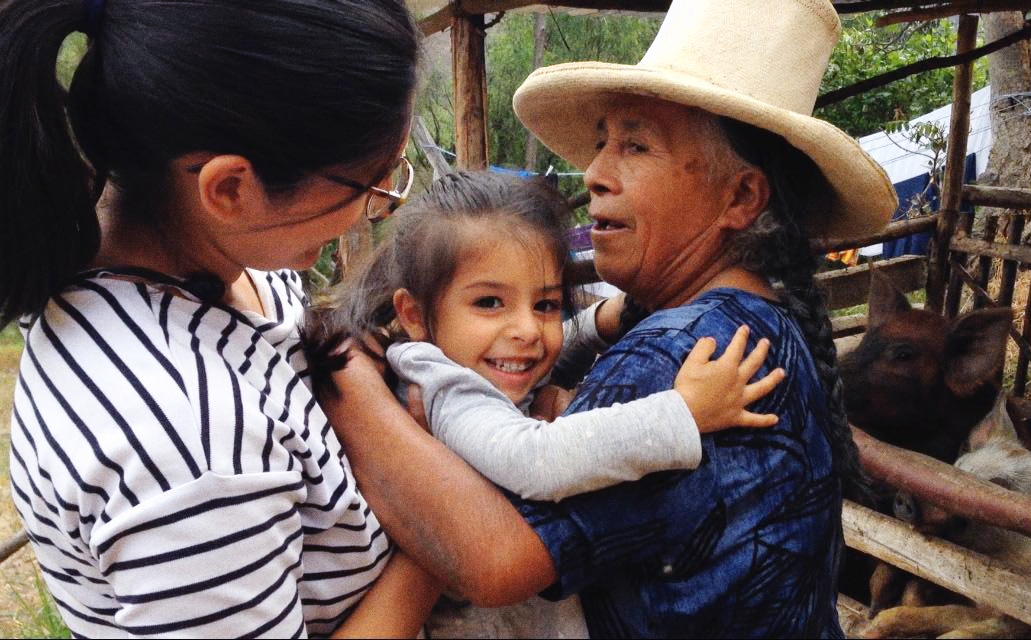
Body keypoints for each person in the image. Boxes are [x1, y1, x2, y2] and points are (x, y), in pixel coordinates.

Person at [321, 0, 899, 637]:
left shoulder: (676, 363)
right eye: (602, 144)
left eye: (635, 145)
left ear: (739, 196)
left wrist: (347, 383)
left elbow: (490, 560)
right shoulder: (765, 323)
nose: (595, 174)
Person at [0, 0, 439, 636]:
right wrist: (433, 543)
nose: (377, 208)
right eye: (368, 183)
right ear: (229, 189)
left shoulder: (233, 264)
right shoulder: (184, 440)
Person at [305, 170, 786, 637]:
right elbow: (536, 459)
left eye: (546, 305)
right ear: (414, 314)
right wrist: (683, 412)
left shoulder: (456, 359)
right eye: (489, 303)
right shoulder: (443, 387)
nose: (528, 330)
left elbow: (522, 354)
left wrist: (596, 324)